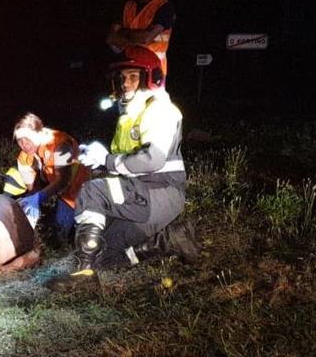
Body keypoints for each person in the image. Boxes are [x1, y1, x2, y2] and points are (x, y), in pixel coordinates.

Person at [47, 47, 201, 291]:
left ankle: (84, 275)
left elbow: (152, 160)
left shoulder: (159, 109)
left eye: (132, 76)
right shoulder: (129, 114)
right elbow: (128, 164)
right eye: (120, 78)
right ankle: (167, 240)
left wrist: (107, 160)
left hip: (159, 192)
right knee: (103, 255)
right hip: (145, 197)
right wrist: (99, 159)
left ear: (151, 78)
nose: (124, 83)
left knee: (92, 191)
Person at [5, 113, 89, 245]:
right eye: (20, 140)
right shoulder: (25, 156)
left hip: (76, 190)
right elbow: (32, 186)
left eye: (27, 138)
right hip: (51, 181)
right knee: (13, 177)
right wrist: (29, 202)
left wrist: (37, 198)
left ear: (39, 133)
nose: (24, 144)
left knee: (58, 237)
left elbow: (63, 181)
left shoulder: (60, 145)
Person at [106, 0, 176, 76]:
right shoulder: (127, 6)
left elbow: (146, 38)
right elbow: (110, 38)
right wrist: (137, 38)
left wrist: (123, 33)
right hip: (125, 72)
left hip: (153, 74)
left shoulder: (164, 7)